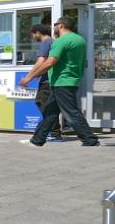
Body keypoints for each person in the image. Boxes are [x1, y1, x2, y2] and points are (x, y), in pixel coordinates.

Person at [19, 15, 100, 148]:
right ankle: (37, 140)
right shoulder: (80, 40)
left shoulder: (61, 41)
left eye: (55, 25)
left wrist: (29, 77)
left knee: (72, 112)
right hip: (68, 80)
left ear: (61, 25)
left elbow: (49, 63)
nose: (53, 28)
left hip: (62, 81)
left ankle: (90, 140)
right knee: (50, 112)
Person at [21, 23, 64, 142]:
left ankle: (54, 133)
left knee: (45, 106)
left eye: (33, 34)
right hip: (52, 80)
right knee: (49, 107)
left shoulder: (45, 43)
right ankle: (52, 133)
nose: (33, 37)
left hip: (47, 81)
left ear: (38, 33)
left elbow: (41, 62)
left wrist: (28, 77)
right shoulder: (53, 42)